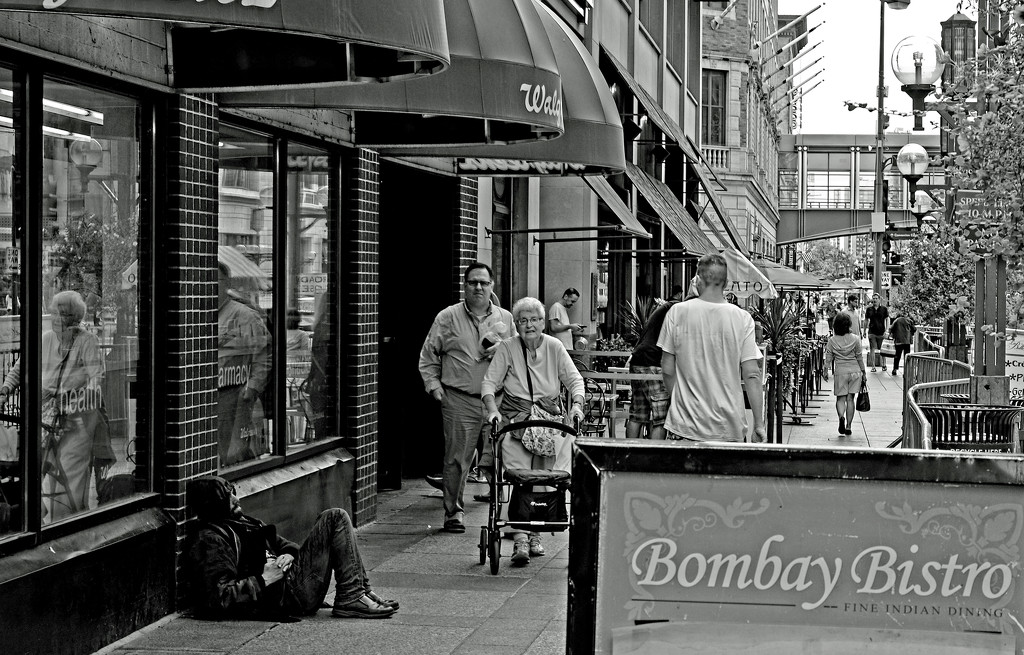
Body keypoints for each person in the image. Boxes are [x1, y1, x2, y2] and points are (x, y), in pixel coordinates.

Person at [185, 476, 398, 621]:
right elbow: (217, 598)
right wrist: (264, 579)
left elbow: (289, 546)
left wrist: (287, 554)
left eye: (233, 492)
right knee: (335, 517)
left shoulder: (245, 522)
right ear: (212, 503)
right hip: (288, 595)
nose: (236, 499)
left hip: (290, 581)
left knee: (333, 517)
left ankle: (360, 591)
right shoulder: (210, 539)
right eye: (227, 495)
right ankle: (352, 596)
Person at [482, 296, 584, 566]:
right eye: (523, 320)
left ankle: (535, 535)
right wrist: (493, 410)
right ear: (516, 323)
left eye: (535, 319)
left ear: (543, 322)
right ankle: (520, 540)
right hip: (516, 421)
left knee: (543, 480)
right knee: (518, 478)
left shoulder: (555, 346)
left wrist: (576, 407)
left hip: (548, 423)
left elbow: (574, 380)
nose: (530, 325)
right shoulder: (507, 347)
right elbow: (489, 384)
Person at [418, 263, 516, 534]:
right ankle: (453, 513)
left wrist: (501, 349)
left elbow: (518, 357)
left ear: (492, 285)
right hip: (459, 399)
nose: (478, 287)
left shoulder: (506, 318)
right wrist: (434, 386)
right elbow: (429, 356)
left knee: (500, 457)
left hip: (497, 400)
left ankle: (501, 509)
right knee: (456, 460)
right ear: (465, 285)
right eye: (473, 282)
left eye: (484, 282)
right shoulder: (447, 317)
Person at [0, 290, 105, 521]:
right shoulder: (46, 339)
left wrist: (74, 403)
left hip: (76, 423)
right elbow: (20, 368)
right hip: (46, 419)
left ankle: (66, 527)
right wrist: (5, 390)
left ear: (75, 318)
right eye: (55, 313)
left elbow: (96, 380)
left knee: (69, 476)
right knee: (37, 475)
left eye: (64, 314)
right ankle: (42, 518)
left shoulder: (87, 341)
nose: (57, 318)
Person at [657, 253, 766, 443]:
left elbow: (667, 369)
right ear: (726, 283)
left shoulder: (677, 312)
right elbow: (752, 374)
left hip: (685, 426)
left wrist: (681, 401)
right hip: (728, 427)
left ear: (697, 280)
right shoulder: (742, 319)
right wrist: (758, 424)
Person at [218, 263, 272, 466]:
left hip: (234, 395)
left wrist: (253, 386)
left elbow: (265, 353)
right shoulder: (197, 316)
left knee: (233, 454)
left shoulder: (244, 316)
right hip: (206, 397)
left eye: (217, 281)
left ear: (227, 284)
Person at [625, 285, 683, 440]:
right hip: (653, 363)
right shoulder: (677, 309)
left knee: (637, 414)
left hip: (637, 361)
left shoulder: (664, 309)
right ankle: (654, 458)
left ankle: (628, 455)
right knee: (660, 418)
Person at [821, 312, 866, 437]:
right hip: (855, 372)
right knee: (850, 399)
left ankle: (841, 417)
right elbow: (859, 357)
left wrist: (825, 370)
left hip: (840, 372)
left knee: (840, 399)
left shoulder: (832, 340)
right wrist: (863, 372)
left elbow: (828, 357)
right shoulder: (856, 339)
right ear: (849, 325)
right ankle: (848, 426)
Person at [865, 293, 889, 372]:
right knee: (872, 348)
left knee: (882, 349)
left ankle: (884, 365)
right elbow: (866, 320)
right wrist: (864, 330)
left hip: (881, 332)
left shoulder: (884, 309)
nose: (874, 300)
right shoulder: (869, 309)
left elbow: (887, 319)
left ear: (879, 299)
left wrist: (887, 330)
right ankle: (873, 366)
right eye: (873, 298)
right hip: (872, 332)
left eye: (876, 298)